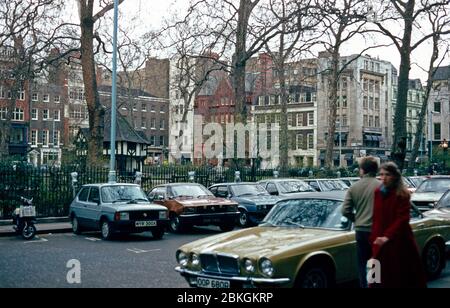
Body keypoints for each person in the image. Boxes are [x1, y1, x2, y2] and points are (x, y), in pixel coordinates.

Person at [370, 162, 427, 288]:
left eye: (387, 175)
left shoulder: (402, 194)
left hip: (399, 242)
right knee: (376, 278)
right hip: (380, 242)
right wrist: (374, 237)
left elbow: (402, 219)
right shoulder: (377, 193)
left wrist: (387, 236)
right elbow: (376, 217)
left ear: (395, 176)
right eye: (381, 174)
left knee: (399, 278)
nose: (383, 178)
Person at [342, 156, 380, 288]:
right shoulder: (380, 186)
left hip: (361, 230)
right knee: (375, 262)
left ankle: (364, 285)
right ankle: (374, 285)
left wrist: (357, 219)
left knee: (362, 262)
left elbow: (345, 210)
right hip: (376, 230)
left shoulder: (354, 187)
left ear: (363, 170)